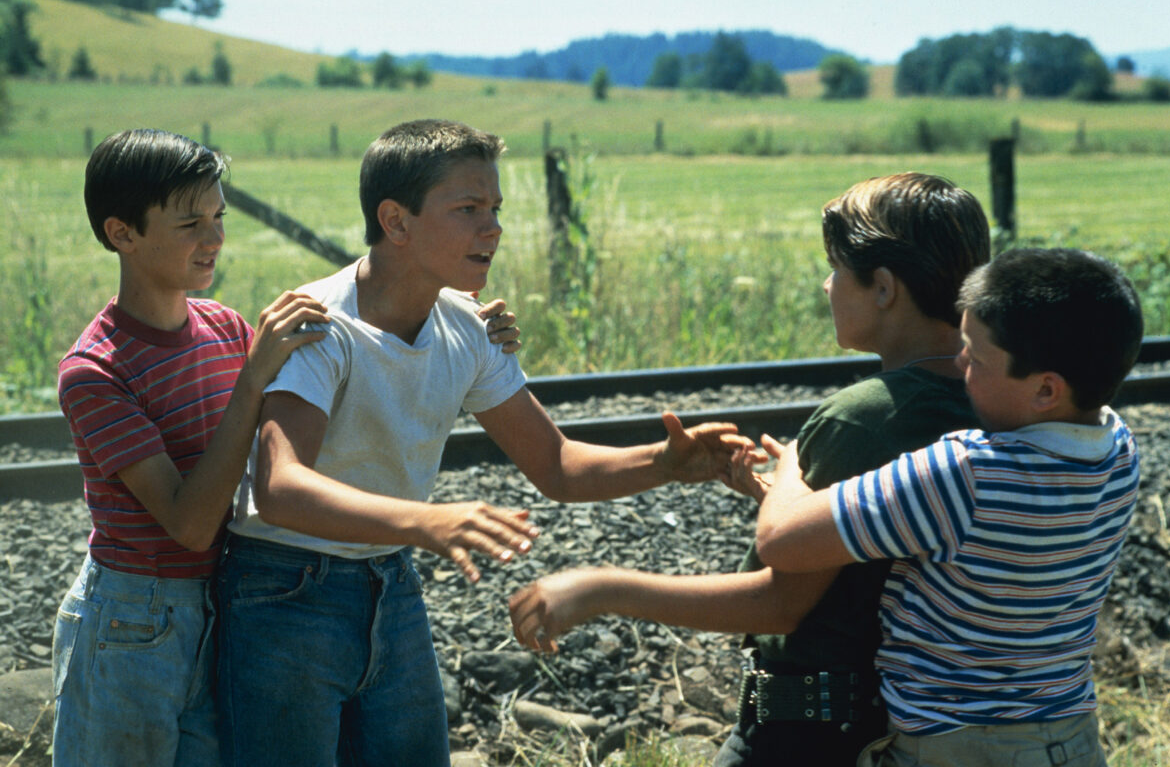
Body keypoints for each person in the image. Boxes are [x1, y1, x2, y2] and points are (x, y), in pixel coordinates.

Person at [215, 118, 752, 767]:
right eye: (467, 209)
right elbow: (279, 488)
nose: (492, 228)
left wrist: (664, 462)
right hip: (284, 591)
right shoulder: (322, 326)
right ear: (396, 221)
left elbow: (555, 465)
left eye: (495, 208)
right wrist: (427, 520)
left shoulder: (467, 327)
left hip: (389, 577)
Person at [51, 128, 521, 767]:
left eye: (218, 217)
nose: (214, 238)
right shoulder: (96, 371)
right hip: (134, 618)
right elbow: (190, 523)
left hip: (218, 603)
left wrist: (461, 311)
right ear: (121, 233)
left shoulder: (223, 326)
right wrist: (253, 378)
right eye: (191, 223)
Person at [508, 172, 992, 765]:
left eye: (837, 268)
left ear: (885, 288)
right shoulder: (985, 398)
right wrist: (778, 498)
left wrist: (600, 589)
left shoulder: (863, 418)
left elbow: (779, 604)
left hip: (808, 731)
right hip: (887, 722)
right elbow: (884, 537)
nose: (826, 283)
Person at [753, 247, 1143, 767]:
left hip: (956, 747)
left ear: (1047, 389)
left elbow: (779, 539)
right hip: (1068, 738)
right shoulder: (1118, 450)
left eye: (976, 358)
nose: (960, 366)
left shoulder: (965, 473)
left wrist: (792, 465)